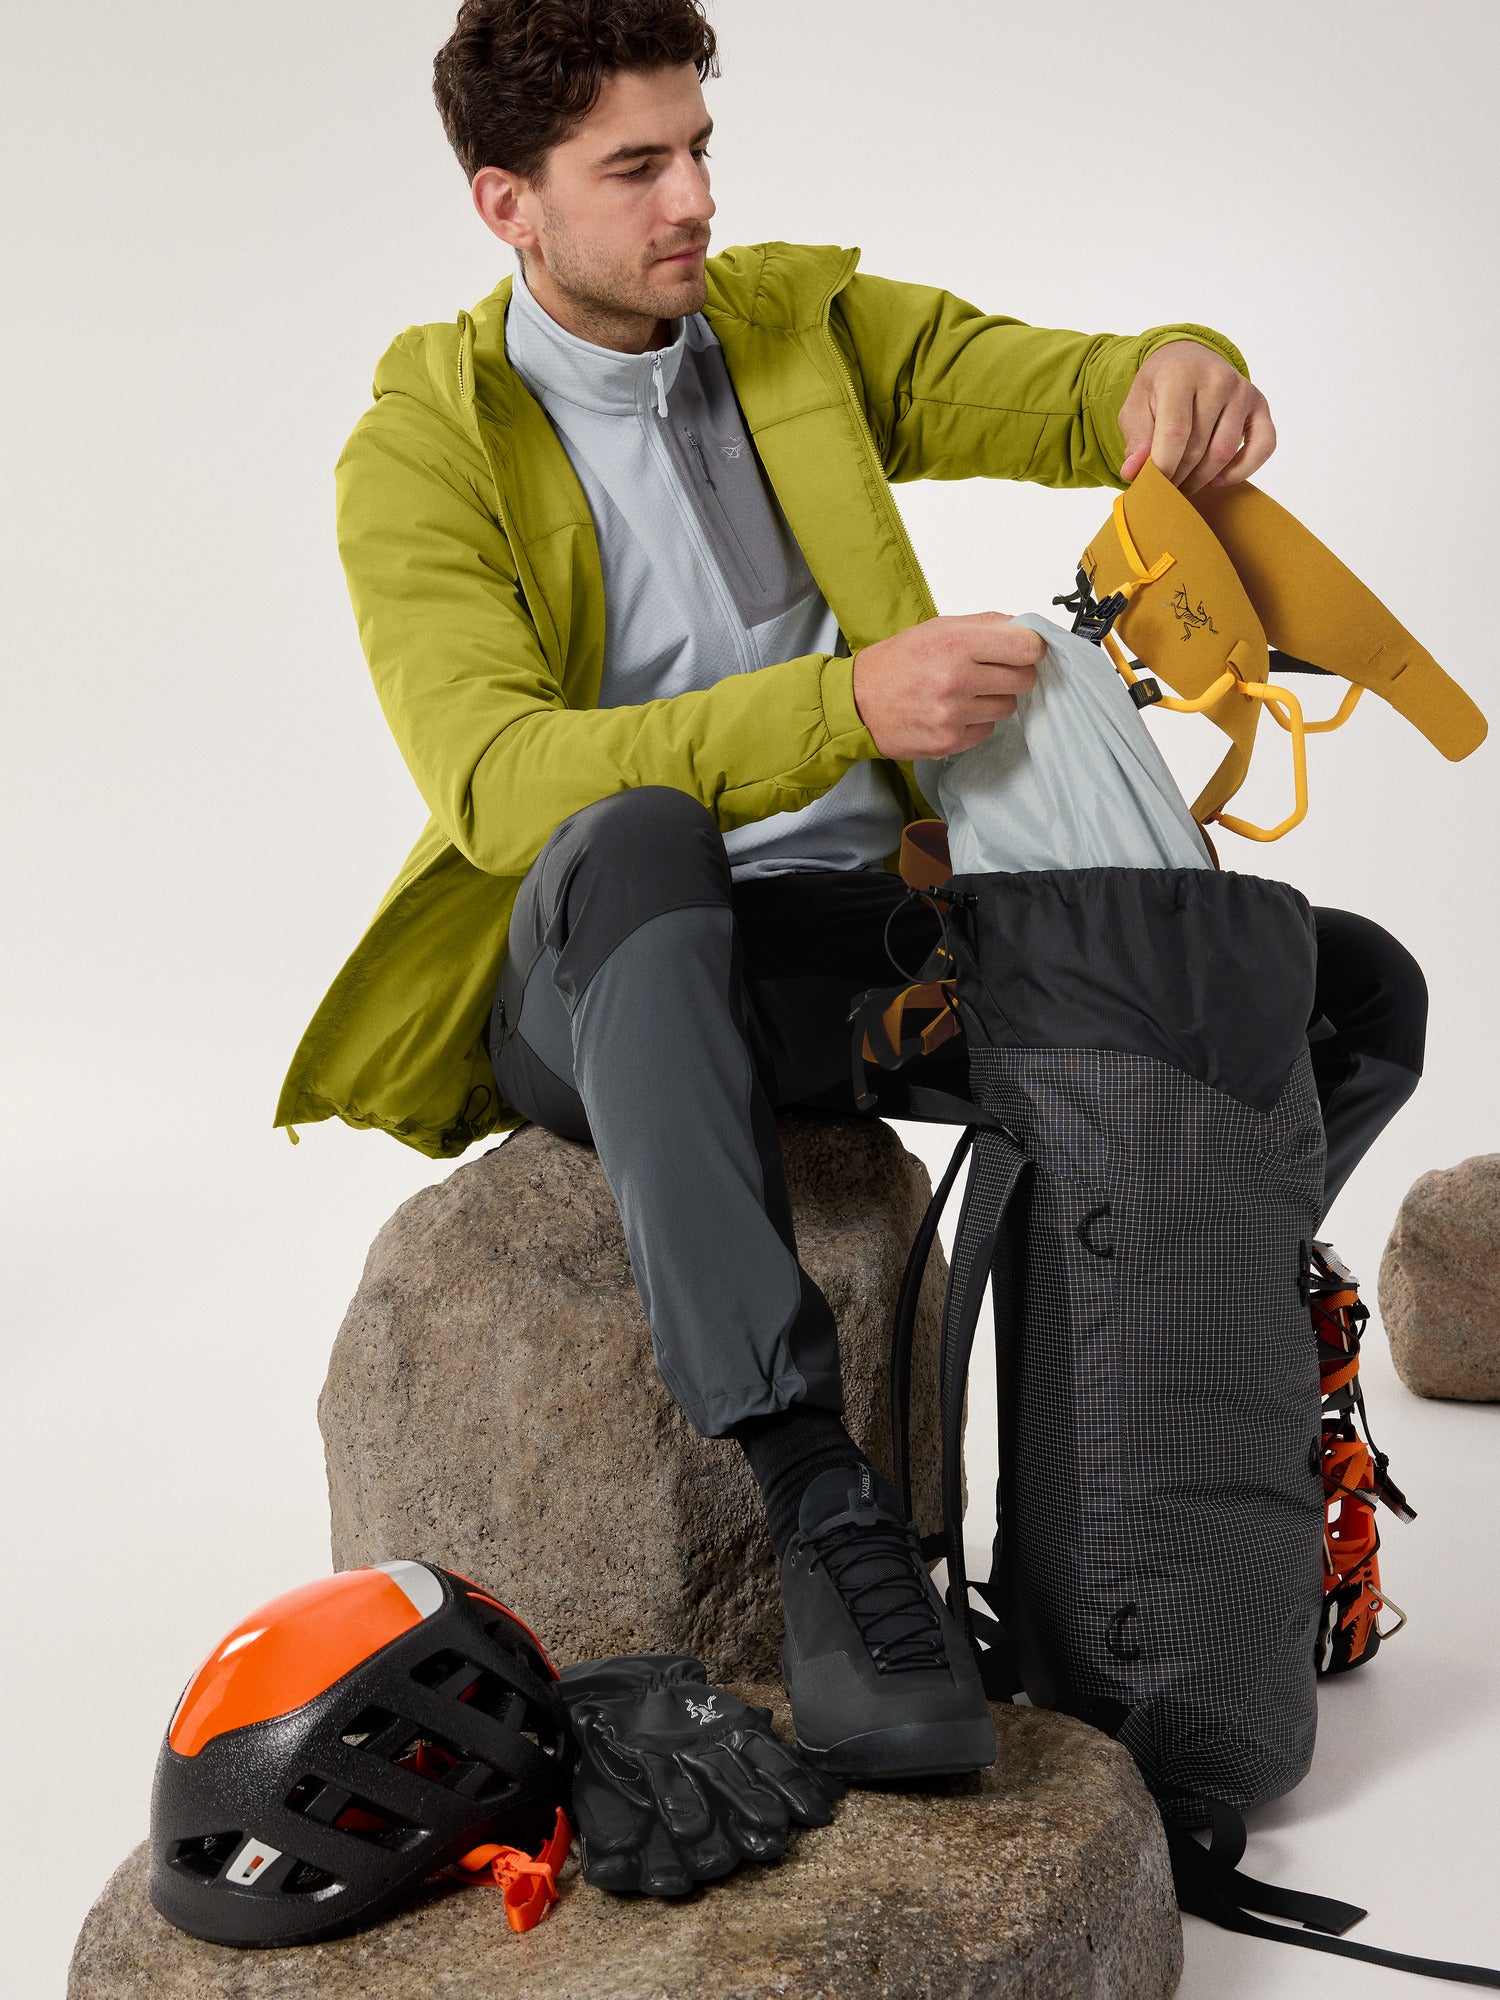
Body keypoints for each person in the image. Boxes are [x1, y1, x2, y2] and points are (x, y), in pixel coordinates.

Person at [276, 0, 1427, 1777]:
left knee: (1339, 984)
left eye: (700, 148)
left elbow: (1053, 382)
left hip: (861, 946)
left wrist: (1175, 371)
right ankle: (821, 1504)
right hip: (609, 970)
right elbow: (496, 778)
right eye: (635, 166)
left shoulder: (787, 327)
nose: (692, 199)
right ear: (507, 202)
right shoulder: (422, 446)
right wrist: (845, 707)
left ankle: (1192, 1325)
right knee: (638, 832)